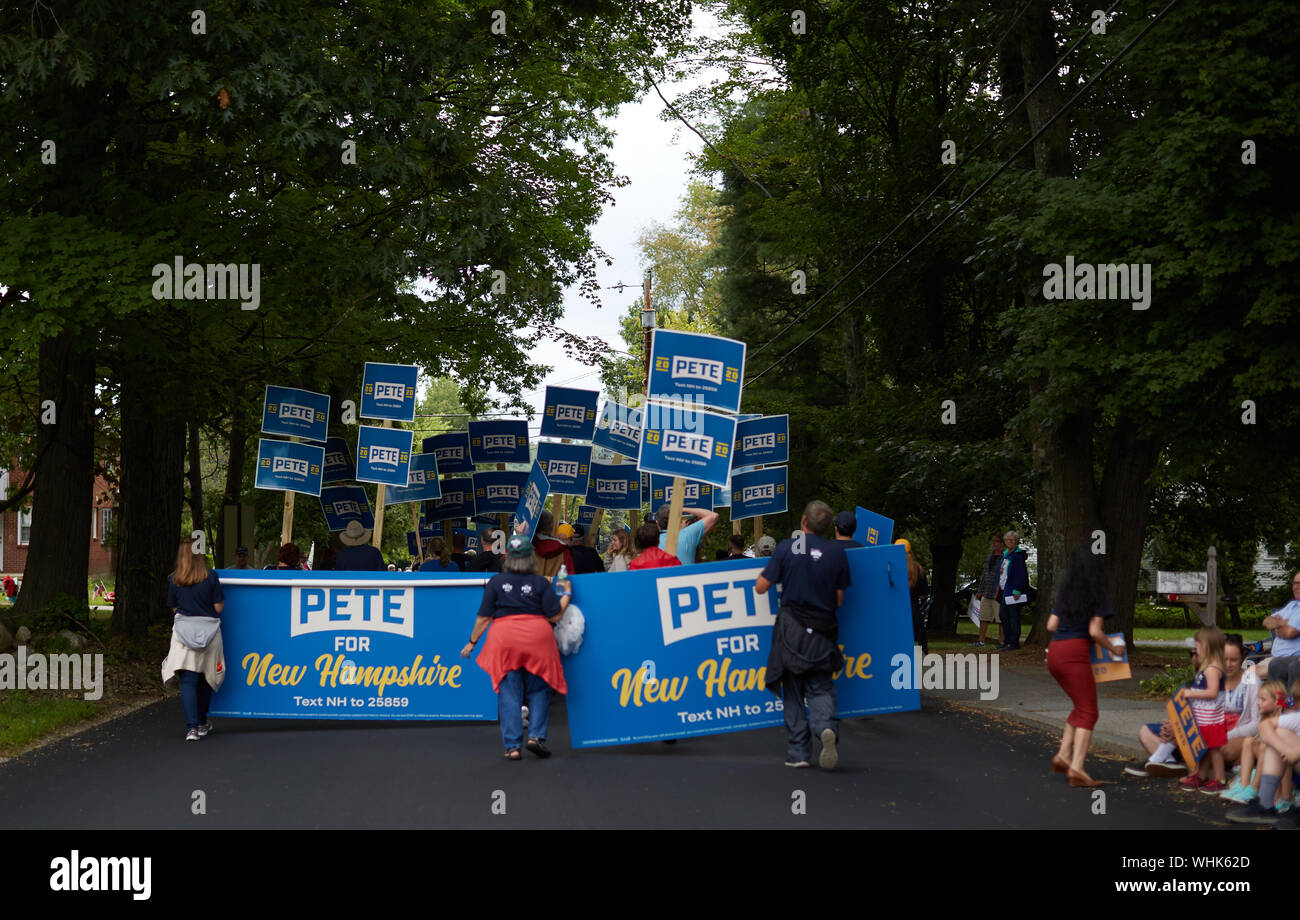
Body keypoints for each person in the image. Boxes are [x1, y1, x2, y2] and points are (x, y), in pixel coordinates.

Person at [756, 500, 851, 769]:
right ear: (826, 527)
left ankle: (798, 753)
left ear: (804, 522)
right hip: (823, 628)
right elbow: (840, 599)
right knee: (820, 686)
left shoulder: (787, 547)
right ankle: (824, 728)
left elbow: (761, 587)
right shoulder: (836, 553)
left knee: (793, 689)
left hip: (792, 629)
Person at [461, 533, 570, 760]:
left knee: (509, 692)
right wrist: (566, 593)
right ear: (531, 558)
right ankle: (536, 737)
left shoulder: (496, 583)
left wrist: (472, 643)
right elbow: (555, 616)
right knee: (540, 688)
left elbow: (484, 618)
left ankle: (512, 747)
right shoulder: (540, 583)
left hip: (505, 638)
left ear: (507, 558)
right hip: (537, 638)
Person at [1045, 546, 1125, 787]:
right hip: (1075, 654)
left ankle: (1063, 756)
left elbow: (1051, 625)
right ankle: (1077, 768)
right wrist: (1114, 649)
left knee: (1080, 707)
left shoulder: (1065, 593)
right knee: (1090, 712)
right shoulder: (1098, 594)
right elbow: (1094, 631)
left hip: (1055, 653)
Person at [161, 538, 227, 741]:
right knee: (206, 678)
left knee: (188, 681)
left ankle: (191, 729)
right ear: (200, 556)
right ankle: (201, 722)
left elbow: (173, 607)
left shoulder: (174, 579)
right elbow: (218, 608)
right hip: (209, 632)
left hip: (183, 634)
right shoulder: (211, 577)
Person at [1179, 626, 1228, 793]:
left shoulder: (1213, 669)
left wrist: (1190, 693)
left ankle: (1220, 779)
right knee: (1204, 748)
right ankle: (1201, 775)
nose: (1195, 648)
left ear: (1208, 646)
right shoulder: (1206, 667)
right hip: (1203, 717)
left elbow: (1213, 692)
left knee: (1214, 749)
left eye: (1198, 645)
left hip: (1211, 718)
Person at [1256, 571, 1300, 686]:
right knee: (1247, 673)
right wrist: (1281, 623)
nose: (1296, 587)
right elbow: (1266, 621)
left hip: (1292, 659)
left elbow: (1290, 632)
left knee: (1277, 666)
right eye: (1295, 583)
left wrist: (1276, 625)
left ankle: (1283, 703)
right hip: (1274, 657)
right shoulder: (1292, 606)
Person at [996, 530, 1030, 650]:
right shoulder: (1005, 554)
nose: (1011, 541)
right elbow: (1004, 571)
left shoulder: (1018, 555)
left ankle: (1013, 643)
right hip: (1005, 589)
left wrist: (1017, 590)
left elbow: (1021, 574)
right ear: (1005, 541)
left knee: (1014, 617)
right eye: (1009, 540)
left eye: (1014, 540)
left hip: (1014, 590)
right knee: (1003, 615)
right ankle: (1007, 641)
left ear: (1016, 542)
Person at [895, 538, 929, 654]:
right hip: (913, 610)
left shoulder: (892, 569)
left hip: (896, 609)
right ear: (910, 552)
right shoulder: (919, 570)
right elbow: (924, 593)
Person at [971, 533, 1004, 648]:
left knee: (1001, 619)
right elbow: (984, 575)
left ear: (1002, 543)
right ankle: (981, 641)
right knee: (984, 617)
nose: (994, 544)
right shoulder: (989, 557)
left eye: (997, 541)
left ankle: (1001, 642)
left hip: (998, 593)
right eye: (993, 541)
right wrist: (980, 591)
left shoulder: (1004, 558)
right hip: (986, 593)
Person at [533, 511, 575, 578]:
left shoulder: (525, 547)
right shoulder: (564, 550)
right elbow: (569, 578)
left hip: (529, 587)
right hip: (554, 587)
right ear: (552, 527)